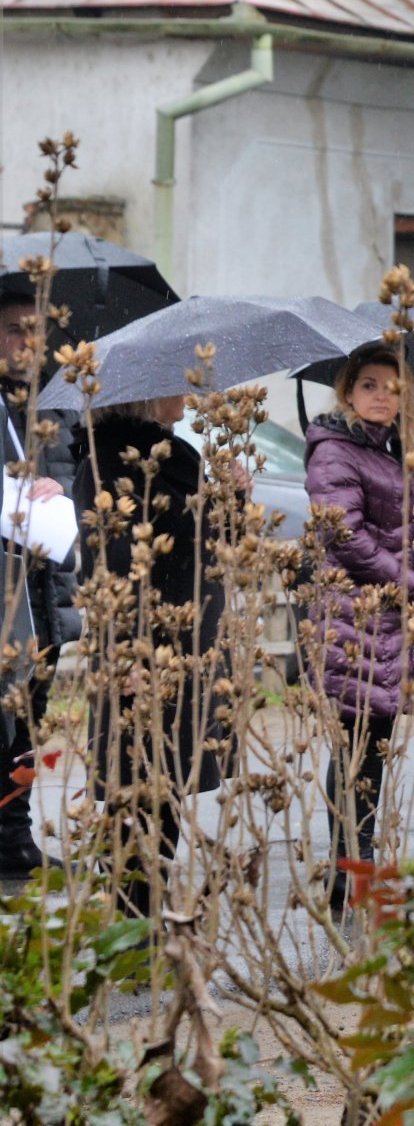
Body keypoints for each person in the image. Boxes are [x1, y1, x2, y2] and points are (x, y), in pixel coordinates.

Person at [74, 394, 229, 915]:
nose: (186, 392)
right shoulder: (106, 464)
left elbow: (204, 540)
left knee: (163, 786)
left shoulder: (175, 456)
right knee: (135, 785)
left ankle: (147, 913)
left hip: (184, 646)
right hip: (141, 652)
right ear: (142, 397)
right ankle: (131, 921)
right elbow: (111, 565)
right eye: (173, 381)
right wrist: (123, 654)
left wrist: (228, 500)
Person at [306, 346, 414, 906]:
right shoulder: (336, 450)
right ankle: (348, 871)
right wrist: (413, 581)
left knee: (373, 742)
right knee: (357, 746)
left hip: (382, 620)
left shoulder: (391, 451)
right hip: (353, 617)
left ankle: (356, 866)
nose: (382, 394)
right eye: (368, 384)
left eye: (392, 385)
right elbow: (347, 536)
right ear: (347, 394)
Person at [0, 294, 80, 880]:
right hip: (5, 597)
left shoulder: (61, 403)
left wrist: (59, 488)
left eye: (36, 330)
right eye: (12, 330)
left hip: (46, 591)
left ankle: (12, 841)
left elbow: (86, 477)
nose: (26, 342)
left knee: (29, 721)